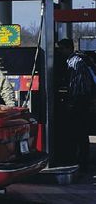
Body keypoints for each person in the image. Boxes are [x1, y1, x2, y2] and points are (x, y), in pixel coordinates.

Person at [56, 38, 95, 171]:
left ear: (68, 48)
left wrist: (71, 102)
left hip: (79, 101)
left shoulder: (76, 62)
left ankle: (80, 160)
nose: (60, 52)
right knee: (80, 132)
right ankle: (80, 158)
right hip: (82, 100)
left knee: (78, 131)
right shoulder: (77, 60)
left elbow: (76, 85)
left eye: (61, 49)